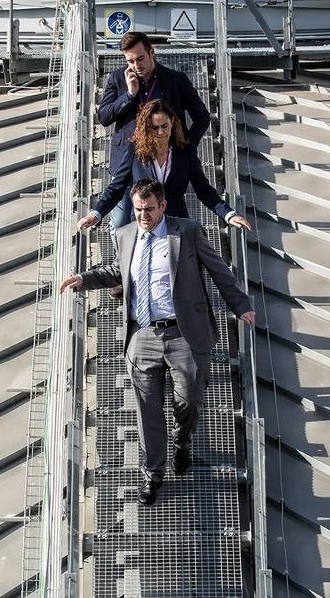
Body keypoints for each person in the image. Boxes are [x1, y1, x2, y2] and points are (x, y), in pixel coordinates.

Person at [61, 179, 255, 506]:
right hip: (142, 336)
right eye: (138, 209)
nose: (143, 216)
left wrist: (241, 305)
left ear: (163, 205)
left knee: (189, 400)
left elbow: (219, 270)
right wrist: (83, 279)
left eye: (149, 209)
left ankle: (182, 441)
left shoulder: (187, 232)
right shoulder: (125, 235)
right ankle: (153, 473)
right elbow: (116, 271)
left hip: (184, 333)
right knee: (147, 410)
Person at [78, 99, 251, 233]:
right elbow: (117, 186)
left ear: (173, 123)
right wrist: (96, 214)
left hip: (176, 223)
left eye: (165, 126)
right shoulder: (135, 151)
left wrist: (229, 214)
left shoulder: (186, 151)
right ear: (146, 129)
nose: (161, 132)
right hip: (144, 224)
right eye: (154, 128)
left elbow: (203, 189)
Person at [96, 32, 210, 230]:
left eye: (140, 58)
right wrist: (129, 95)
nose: (136, 65)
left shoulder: (176, 80)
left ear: (152, 53)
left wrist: (184, 145)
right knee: (120, 222)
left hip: (161, 161)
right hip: (126, 161)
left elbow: (202, 117)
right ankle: (123, 260)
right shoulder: (117, 79)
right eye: (130, 61)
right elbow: (104, 117)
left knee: (166, 217)